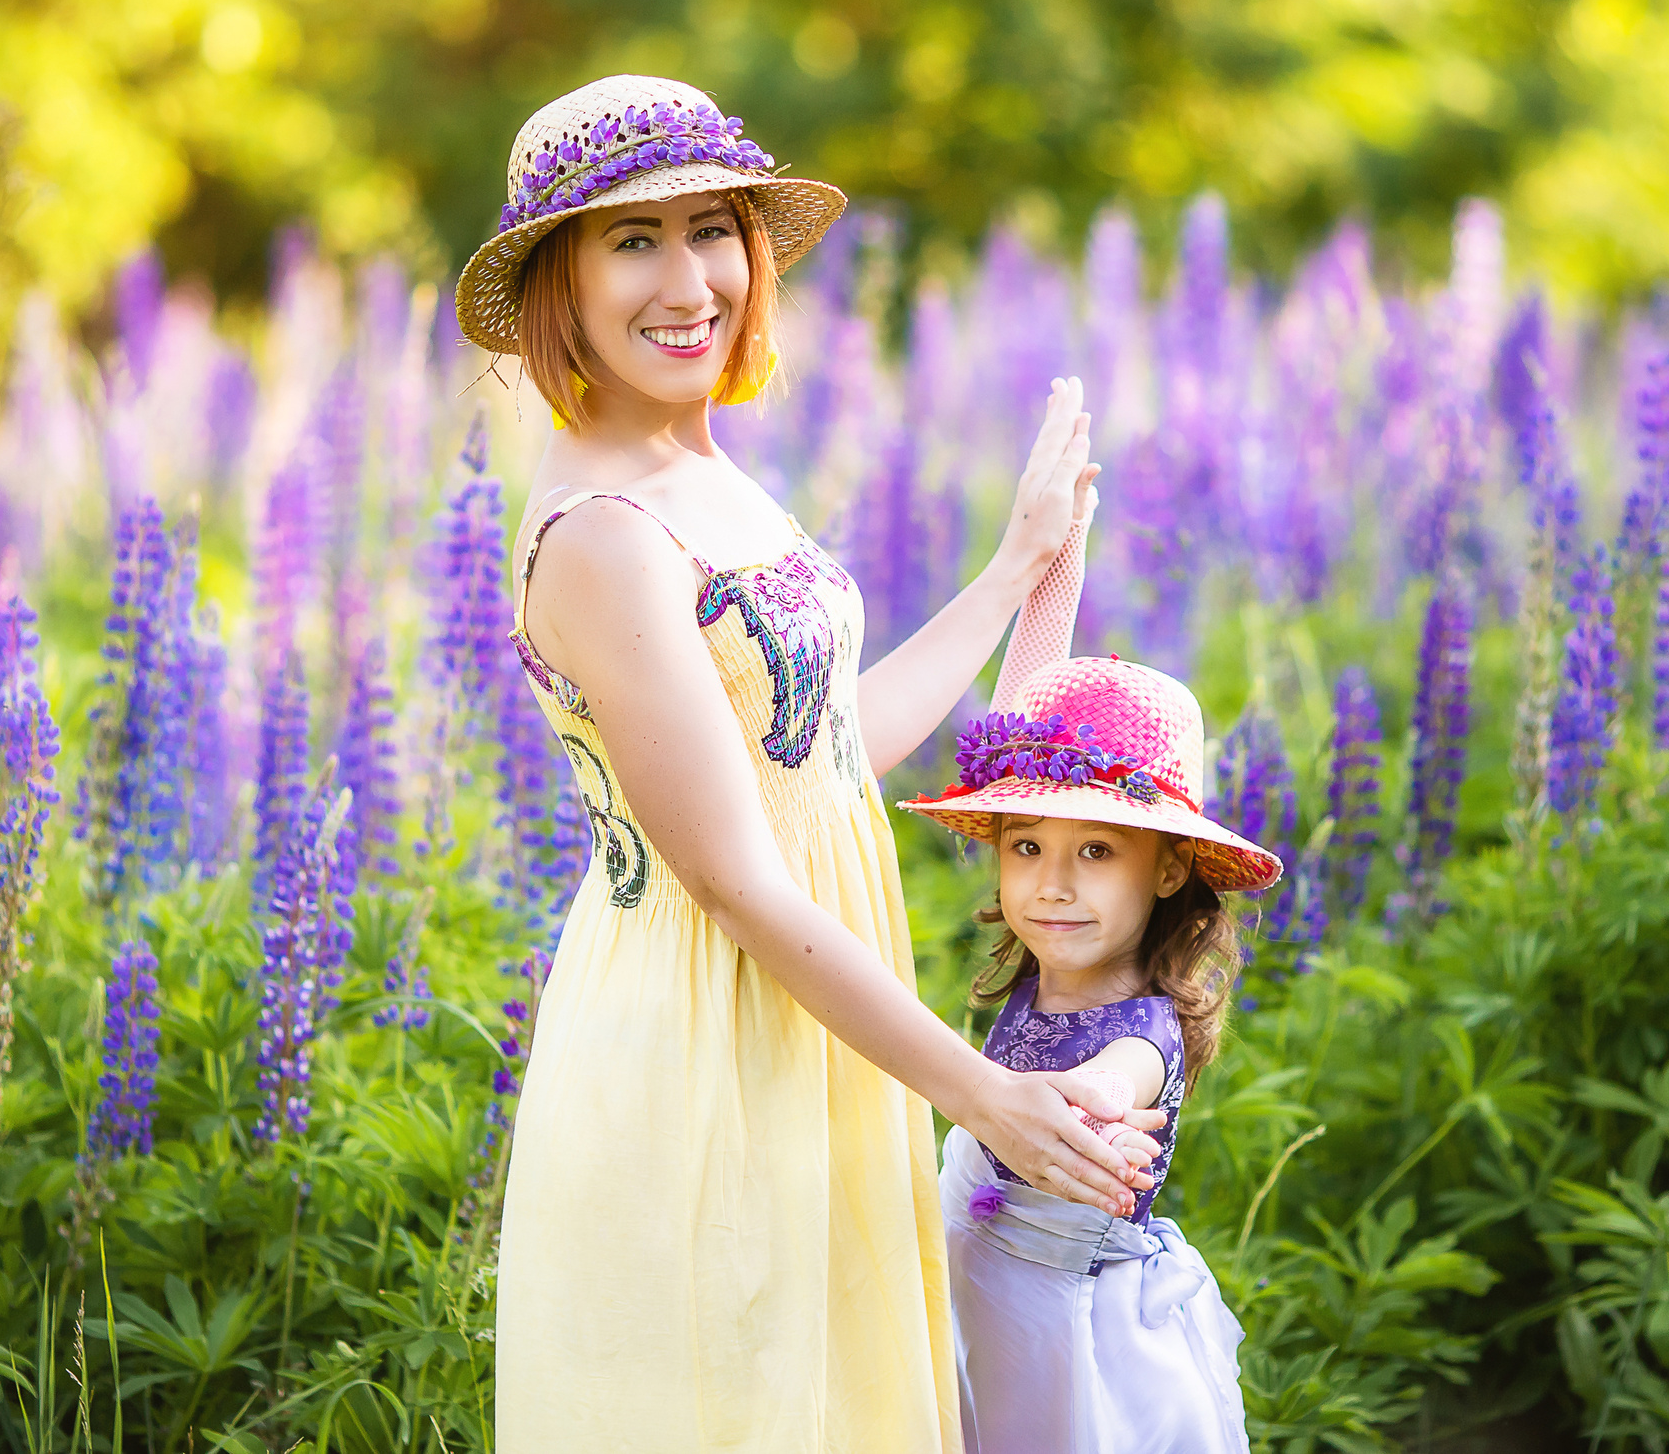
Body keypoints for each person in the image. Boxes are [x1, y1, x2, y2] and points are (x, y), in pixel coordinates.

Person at [461, 74, 1167, 1453]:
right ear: (560, 283)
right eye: (631, 239)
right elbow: (735, 876)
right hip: (702, 1042)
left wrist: (1021, 567)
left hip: (814, 1024)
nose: (690, 278)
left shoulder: (698, 466)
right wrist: (987, 1094)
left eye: (713, 227)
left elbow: (824, 753)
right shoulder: (604, 528)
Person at [898, 514, 1282, 1453]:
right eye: (1026, 845)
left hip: (1059, 1335)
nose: (1051, 881)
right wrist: (1056, 552)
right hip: (965, 1293)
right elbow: (1028, 693)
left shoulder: (1142, 1032)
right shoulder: (1039, 975)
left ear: (1166, 870)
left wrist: (1093, 1100)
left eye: (1096, 849)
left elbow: (1114, 1084)